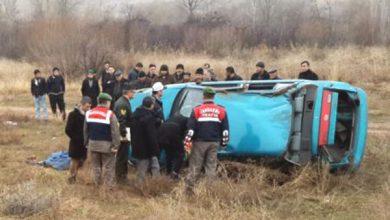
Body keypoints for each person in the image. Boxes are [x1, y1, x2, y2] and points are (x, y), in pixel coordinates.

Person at [184, 87, 229, 194]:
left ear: (203, 96)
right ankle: (209, 192)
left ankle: (189, 191)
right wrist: (224, 143)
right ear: (214, 96)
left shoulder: (196, 110)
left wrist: (187, 142)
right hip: (214, 143)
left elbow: (190, 129)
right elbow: (225, 130)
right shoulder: (222, 110)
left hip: (199, 142)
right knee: (211, 167)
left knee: (195, 166)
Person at [84, 93, 120, 189]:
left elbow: (85, 131)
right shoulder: (110, 114)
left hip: (92, 144)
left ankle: (96, 185)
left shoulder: (88, 113)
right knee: (108, 167)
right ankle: (108, 188)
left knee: (96, 167)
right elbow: (115, 132)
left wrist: (86, 143)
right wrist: (116, 146)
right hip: (107, 146)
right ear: (107, 102)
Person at [131, 96, 160, 182]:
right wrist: (155, 149)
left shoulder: (135, 114)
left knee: (148, 166)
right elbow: (151, 135)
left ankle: (154, 183)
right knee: (145, 168)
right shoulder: (149, 118)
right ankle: (143, 186)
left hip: (137, 145)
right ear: (151, 105)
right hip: (147, 148)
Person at [65, 97, 92, 184]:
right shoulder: (73, 114)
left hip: (85, 143)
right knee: (74, 160)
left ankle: (78, 176)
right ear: (82, 105)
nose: (89, 109)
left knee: (82, 160)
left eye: (90, 107)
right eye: (87, 107)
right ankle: (71, 177)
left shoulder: (88, 115)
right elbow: (68, 130)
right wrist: (76, 138)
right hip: (76, 143)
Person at [113, 84, 135, 184]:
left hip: (123, 130)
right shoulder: (123, 104)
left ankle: (121, 176)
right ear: (128, 92)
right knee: (122, 155)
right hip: (124, 131)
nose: (134, 93)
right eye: (133, 91)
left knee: (122, 155)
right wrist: (124, 134)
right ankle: (121, 178)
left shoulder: (123, 101)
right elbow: (122, 120)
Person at [158, 115, 188, 179]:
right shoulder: (188, 120)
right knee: (180, 154)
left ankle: (168, 172)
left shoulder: (174, 117)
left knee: (168, 153)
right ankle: (174, 173)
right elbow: (186, 133)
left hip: (161, 130)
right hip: (173, 131)